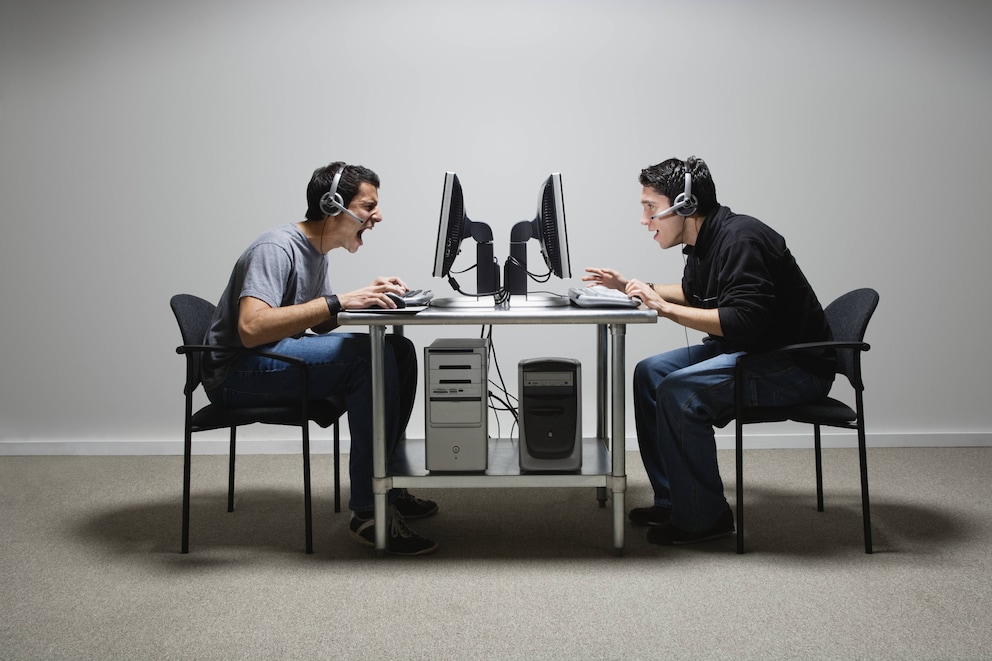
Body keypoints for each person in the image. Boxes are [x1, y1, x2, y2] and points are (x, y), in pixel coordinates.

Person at [584, 156, 835, 546]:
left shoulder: (742, 240)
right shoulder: (703, 242)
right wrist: (630, 286)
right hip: (753, 351)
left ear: (684, 205)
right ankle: (675, 500)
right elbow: (694, 294)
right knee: (650, 373)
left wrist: (662, 308)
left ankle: (706, 517)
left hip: (794, 366)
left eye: (650, 208)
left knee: (678, 389)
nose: (644, 219)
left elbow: (743, 320)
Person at [201, 161, 438, 556]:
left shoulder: (316, 252)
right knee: (366, 356)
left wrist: (364, 296)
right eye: (368, 206)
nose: (377, 216)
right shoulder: (274, 248)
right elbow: (252, 328)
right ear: (333, 205)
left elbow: (321, 321)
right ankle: (368, 511)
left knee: (398, 349)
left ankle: (387, 486)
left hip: (271, 358)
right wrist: (339, 301)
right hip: (236, 372)